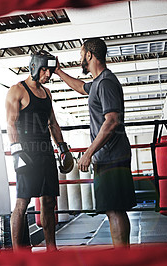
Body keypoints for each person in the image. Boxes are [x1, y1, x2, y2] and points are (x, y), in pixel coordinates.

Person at [54, 38, 136, 248]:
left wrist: (88, 153)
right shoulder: (99, 82)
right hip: (109, 154)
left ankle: (123, 258)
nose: (80, 59)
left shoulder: (106, 82)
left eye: (81, 55)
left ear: (89, 55)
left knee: (115, 209)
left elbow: (111, 121)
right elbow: (81, 87)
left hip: (112, 155)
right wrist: (58, 71)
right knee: (112, 209)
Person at [5, 50, 74, 252]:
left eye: (50, 70)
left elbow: (53, 123)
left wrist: (62, 148)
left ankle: (51, 248)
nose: (48, 74)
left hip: (46, 152)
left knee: (49, 199)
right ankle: (19, 254)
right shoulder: (17, 90)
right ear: (34, 67)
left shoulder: (46, 93)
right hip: (26, 151)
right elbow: (10, 123)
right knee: (22, 201)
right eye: (45, 70)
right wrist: (17, 151)